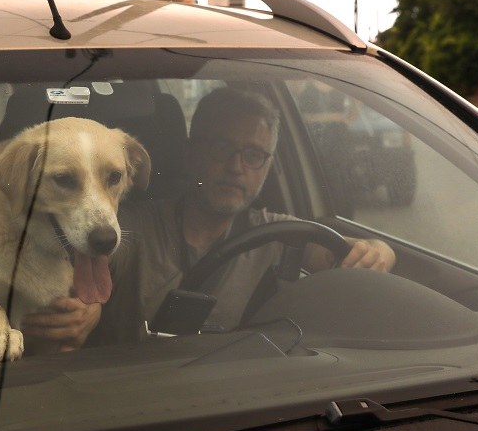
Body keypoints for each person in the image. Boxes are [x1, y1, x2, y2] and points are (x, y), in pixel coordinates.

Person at [79, 86, 396, 346]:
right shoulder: (130, 226)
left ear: (268, 167)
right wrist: (80, 312)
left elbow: (338, 251)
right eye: (220, 148)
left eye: (254, 155)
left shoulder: (274, 233)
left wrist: (378, 250)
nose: (236, 166)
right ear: (191, 154)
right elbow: (67, 275)